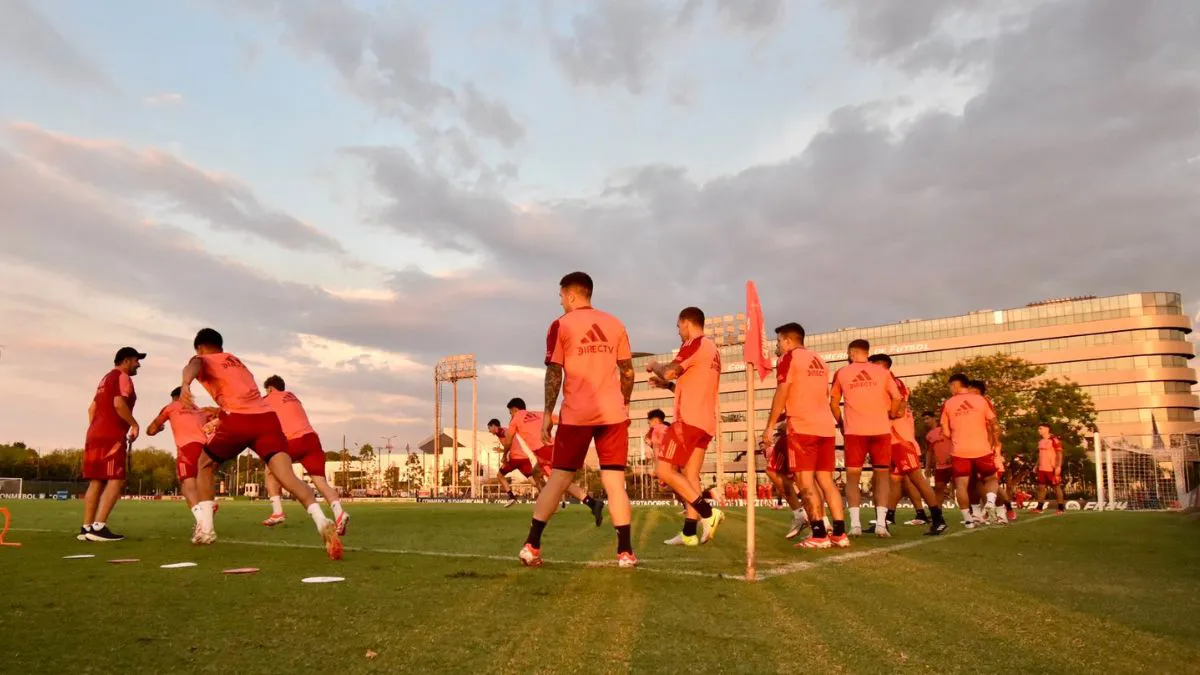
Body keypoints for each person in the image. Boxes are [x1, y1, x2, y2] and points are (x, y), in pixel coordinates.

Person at [180, 328, 342, 559]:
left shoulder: (202, 358)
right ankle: (320, 519)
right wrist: (219, 415)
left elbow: (193, 367)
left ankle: (206, 529)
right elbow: (245, 399)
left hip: (239, 420)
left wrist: (186, 384)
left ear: (199, 347)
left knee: (204, 464)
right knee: (288, 478)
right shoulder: (237, 362)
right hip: (267, 422)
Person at [519, 272, 636, 568]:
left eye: (560, 296)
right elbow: (629, 372)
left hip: (577, 414)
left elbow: (554, 372)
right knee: (614, 481)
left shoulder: (561, 325)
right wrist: (625, 405)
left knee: (559, 477)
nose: (559, 301)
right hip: (613, 414)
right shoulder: (616, 323)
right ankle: (625, 552)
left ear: (571, 295)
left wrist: (547, 414)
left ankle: (532, 545)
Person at [645, 307, 726, 547]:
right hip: (704, 422)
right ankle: (689, 532)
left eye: (678, 327)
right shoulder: (712, 350)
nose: (678, 332)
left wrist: (655, 365)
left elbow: (670, 370)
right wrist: (667, 387)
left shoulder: (695, 343)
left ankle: (708, 513)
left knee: (664, 471)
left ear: (686, 323)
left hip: (688, 422)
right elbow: (693, 384)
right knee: (690, 475)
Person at [763, 323, 848, 549]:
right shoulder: (819, 359)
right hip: (825, 427)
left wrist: (770, 426)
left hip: (803, 428)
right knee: (826, 481)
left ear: (789, 341)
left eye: (779, 341)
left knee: (805, 481)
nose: (777, 345)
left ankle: (819, 534)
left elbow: (783, 390)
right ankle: (839, 534)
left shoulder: (789, 358)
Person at [829, 339, 903, 537]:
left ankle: (855, 525)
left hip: (854, 432)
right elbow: (897, 398)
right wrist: (892, 415)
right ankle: (880, 524)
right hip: (881, 430)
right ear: (867, 352)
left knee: (853, 478)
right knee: (882, 477)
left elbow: (834, 402)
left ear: (852, 352)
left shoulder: (842, 372)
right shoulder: (883, 372)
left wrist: (841, 423)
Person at [868, 354, 947, 535]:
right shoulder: (883, 384)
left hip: (900, 440)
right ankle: (886, 519)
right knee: (893, 481)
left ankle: (938, 518)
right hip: (888, 439)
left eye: (872, 366)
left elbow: (899, 411)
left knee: (916, 479)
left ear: (882, 366)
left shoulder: (894, 383)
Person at [261, 375, 349, 535]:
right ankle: (339, 513)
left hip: (293, 439)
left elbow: (251, 411)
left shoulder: (269, 398)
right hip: (312, 439)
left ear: (270, 388)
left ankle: (277, 511)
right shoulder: (293, 397)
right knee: (321, 482)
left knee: (270, 468)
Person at [79, 347, 145, 542]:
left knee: (97, 480)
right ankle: (99, 527)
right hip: (111, 435)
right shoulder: (122, 377)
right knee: (116, 478)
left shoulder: (104, 379)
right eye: (136, 360)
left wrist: (98, 428)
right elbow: (118, 403)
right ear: (125, 360)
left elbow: (92, 409)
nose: (138, 364)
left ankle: (87, 527)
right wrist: (133, 424)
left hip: (94, 434)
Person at [502, 398, 604, 521]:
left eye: (510, 413)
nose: (510, 416)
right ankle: (592, 504)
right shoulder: (539, 414)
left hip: (544, 451)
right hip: (553, 446)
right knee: (557, 480)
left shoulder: (516, 419)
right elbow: (561, 420)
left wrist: (504, 455)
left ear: (515, 409)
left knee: (551, 479)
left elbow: (508, 440)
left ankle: (545, 512)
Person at [147, 387, 217, 534]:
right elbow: (219, 418)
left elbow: (151, 430)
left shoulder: (171, 407)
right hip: (207, 449)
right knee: (202, 482)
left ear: (175, 397)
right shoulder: (201, 410)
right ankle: (207, 506)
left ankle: (202, 521)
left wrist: (158, 429)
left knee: (187, 484)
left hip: (187, 448)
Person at [940, 373, 1000, 528]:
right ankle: (991, 501)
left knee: (961, 486)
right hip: (982, 448)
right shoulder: (981, 400)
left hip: (959, 450)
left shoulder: (948, 404)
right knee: (991, 478)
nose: (950, 389)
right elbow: (993, 423)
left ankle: (968, 520)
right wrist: (993, 442)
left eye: (951, 386)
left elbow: (945, 432)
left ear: (956, 385)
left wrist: (956, 435)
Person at [763, 416, 810, 539]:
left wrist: (771, 424)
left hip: (795, 432)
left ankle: (801, 516)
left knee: (774, 472)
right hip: (817, 431)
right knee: (813, 479)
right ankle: (822, 526)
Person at [487, 419, 534, 506]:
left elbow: (508, 442)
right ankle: (550, 493)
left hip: (515, 459)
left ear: (494, 426)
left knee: (499, 475)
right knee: (533, 481)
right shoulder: (504, 431)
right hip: (524, 457)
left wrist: (504, 456)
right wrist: (502, 450)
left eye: (489, 428)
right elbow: (510, 445)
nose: (489, 431)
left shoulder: (501, 431)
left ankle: (511, 497)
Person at [923, 411, 954, 508]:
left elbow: (957, 442)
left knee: (963, 486)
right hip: (940, 466)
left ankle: (972, 512)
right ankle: (937, 514)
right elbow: (929, 452)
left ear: (934, 418)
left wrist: (953, 454)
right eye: (924, 419)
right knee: (939, 488)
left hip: (954, 463)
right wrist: (927, 467)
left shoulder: (946, 429)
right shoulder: (928, 436)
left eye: (927, 418)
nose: (925, 421)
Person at [1034, 423, 1066, 513]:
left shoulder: (1054, 440)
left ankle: (1061, 508)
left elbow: (1059, 454)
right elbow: (1040, 455)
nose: (1039, 430)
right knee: (1041, 487)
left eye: (1040, 428)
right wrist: (1036, 465)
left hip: (1051, 468)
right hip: (1042, 468)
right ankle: (1039, 508)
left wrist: (1058, 466)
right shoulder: (1040, 441)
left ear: (1047, 429)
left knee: (1056, 487)